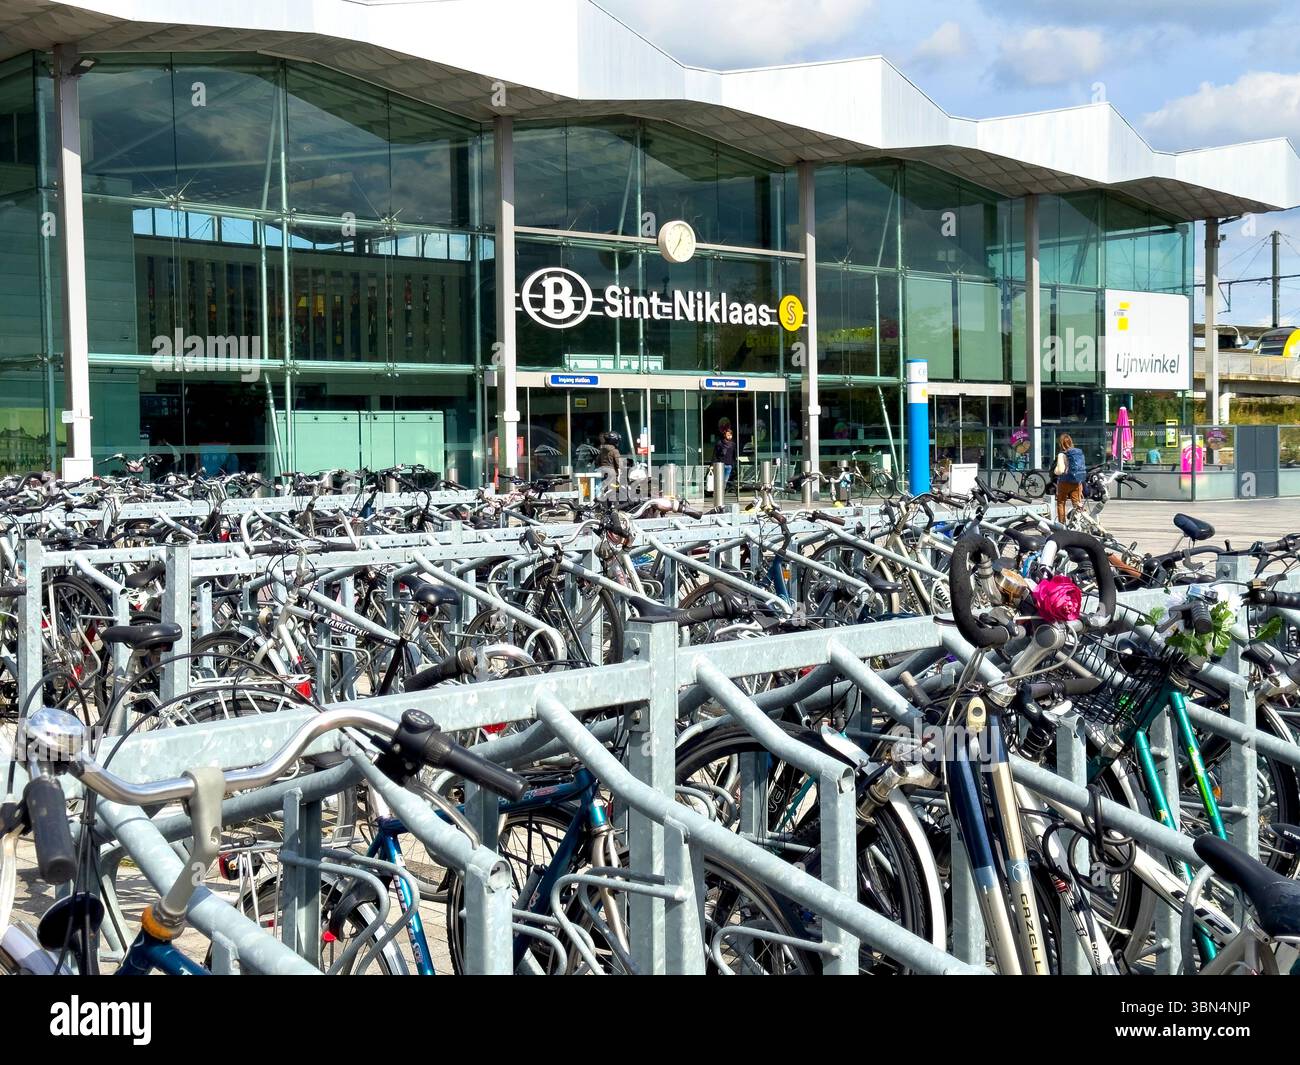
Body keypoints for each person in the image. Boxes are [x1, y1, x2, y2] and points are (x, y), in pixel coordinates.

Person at [1053, 432, 1086, 521]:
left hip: (1064, 482)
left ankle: (1062, 524)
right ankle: (1079, 522)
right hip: (1076, 482)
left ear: (1061, 443)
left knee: (1061, 503)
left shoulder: (1061, 454)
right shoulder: (1077, 453)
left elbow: (1060, 470)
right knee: (1077, 503)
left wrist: (1055, 471)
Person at [712, 427, 736, 491]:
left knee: (725, 480)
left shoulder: (733, 444)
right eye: (728, 435)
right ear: (724, 435)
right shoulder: (719, 443)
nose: (729, 436)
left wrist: (733, 464)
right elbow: (715, 454)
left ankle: (721, 492)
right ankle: (718, 492)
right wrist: (712, 464)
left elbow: (734, 455)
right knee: (719, 479)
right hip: (720, 465)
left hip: (729, 465)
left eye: (730, 435)